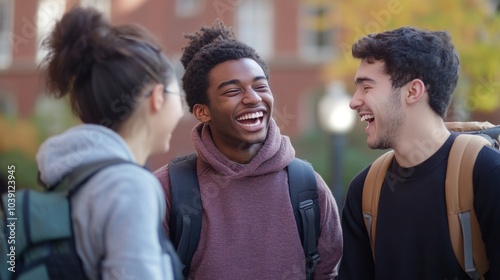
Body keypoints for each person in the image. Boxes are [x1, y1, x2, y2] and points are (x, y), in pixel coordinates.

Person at [154, 20, 343, 279]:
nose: (253, 98)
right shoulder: (168, 189)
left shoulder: (308, 188)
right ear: (202, 111)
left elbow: (326, 273)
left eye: (260, 86)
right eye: (232, 90)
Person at [339, 26, 500, 279]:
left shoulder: (488, 174)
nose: (354, 101)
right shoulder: (364, 190)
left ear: (413, 91)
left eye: (367, 88)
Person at [36, 6, 184, 280]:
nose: (181, 109)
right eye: (179, 93)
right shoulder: (128, 187)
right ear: (158, 98)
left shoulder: (69, 175)